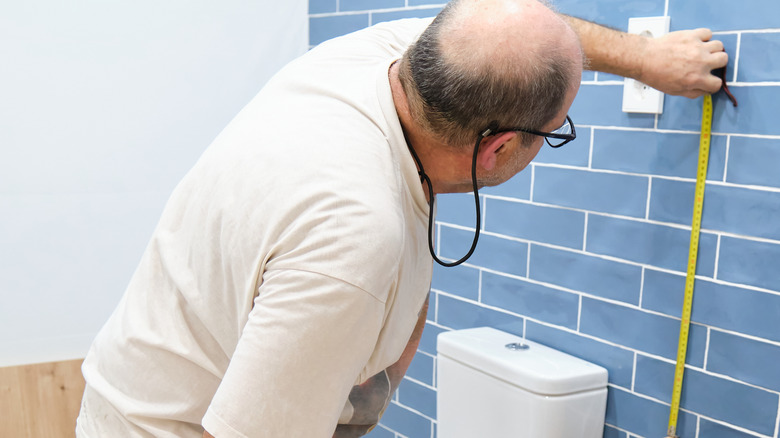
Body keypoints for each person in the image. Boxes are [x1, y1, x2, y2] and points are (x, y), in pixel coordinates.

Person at [75, 0, 728, 436]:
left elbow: (517, 27)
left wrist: (644, 60)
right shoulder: (355, 235)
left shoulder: (374, 59)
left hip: (150, 377)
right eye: (554, 131)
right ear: (498, 147)